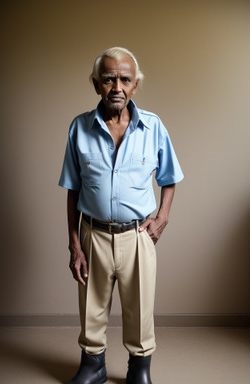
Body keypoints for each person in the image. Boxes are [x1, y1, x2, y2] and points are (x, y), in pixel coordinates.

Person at [59, 47, 184, 384]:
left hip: (137, 237)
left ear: (135, 85)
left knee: (140, 309)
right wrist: (75, 245)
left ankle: (139, 370)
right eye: (109, 78)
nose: (117, 86)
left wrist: (162, 218)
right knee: (91, 306)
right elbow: (72, 190)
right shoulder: (79, 128)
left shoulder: (153, 127)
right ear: (97, 84)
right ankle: (92, 366)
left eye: (124, 79)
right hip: (93, 234)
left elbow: (169, 179)